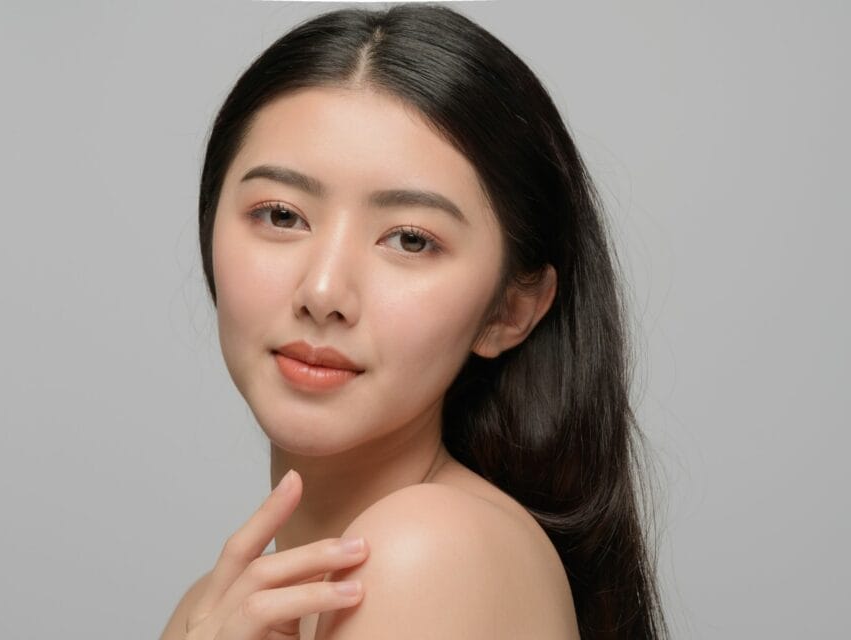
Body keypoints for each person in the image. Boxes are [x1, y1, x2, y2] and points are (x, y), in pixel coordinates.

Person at [160, 4, 669, 639]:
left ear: (510, 310)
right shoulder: (221, 610)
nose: (323, 292)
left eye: (408, 239)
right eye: (282, 215)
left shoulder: (427, 552)